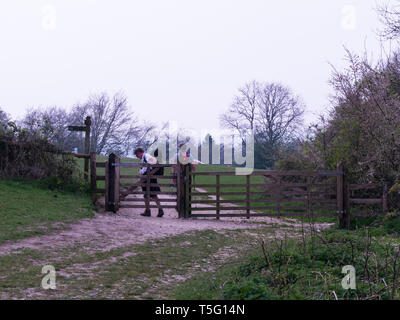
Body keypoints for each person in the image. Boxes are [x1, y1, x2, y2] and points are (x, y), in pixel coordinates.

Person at [134, 147, 164, 218]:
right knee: (151, 195)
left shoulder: (146, 156)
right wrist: (141, 172)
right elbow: (145, 167)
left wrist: (147, 173)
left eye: (136, 155)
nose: (137, 156)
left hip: (149, 178)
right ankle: (158, 210)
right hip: (148, 177)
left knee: (151, 195)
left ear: (139, 153)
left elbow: (152, 163)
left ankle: (151, 211)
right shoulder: (144, 158)